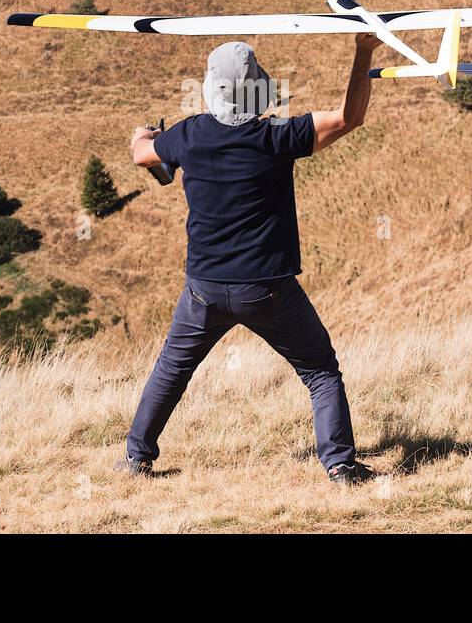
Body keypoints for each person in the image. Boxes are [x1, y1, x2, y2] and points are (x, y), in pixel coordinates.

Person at [119, 34, 383, 484]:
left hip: (203, 288)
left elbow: (143, 153)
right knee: (319, 372)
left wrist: (143, 133)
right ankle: (338, 464)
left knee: (171, 370)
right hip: (268, 288)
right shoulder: (277, 136)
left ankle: (136, 458)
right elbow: (348, 118)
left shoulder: (187, 135)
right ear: (257, 91)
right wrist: (364, 51)